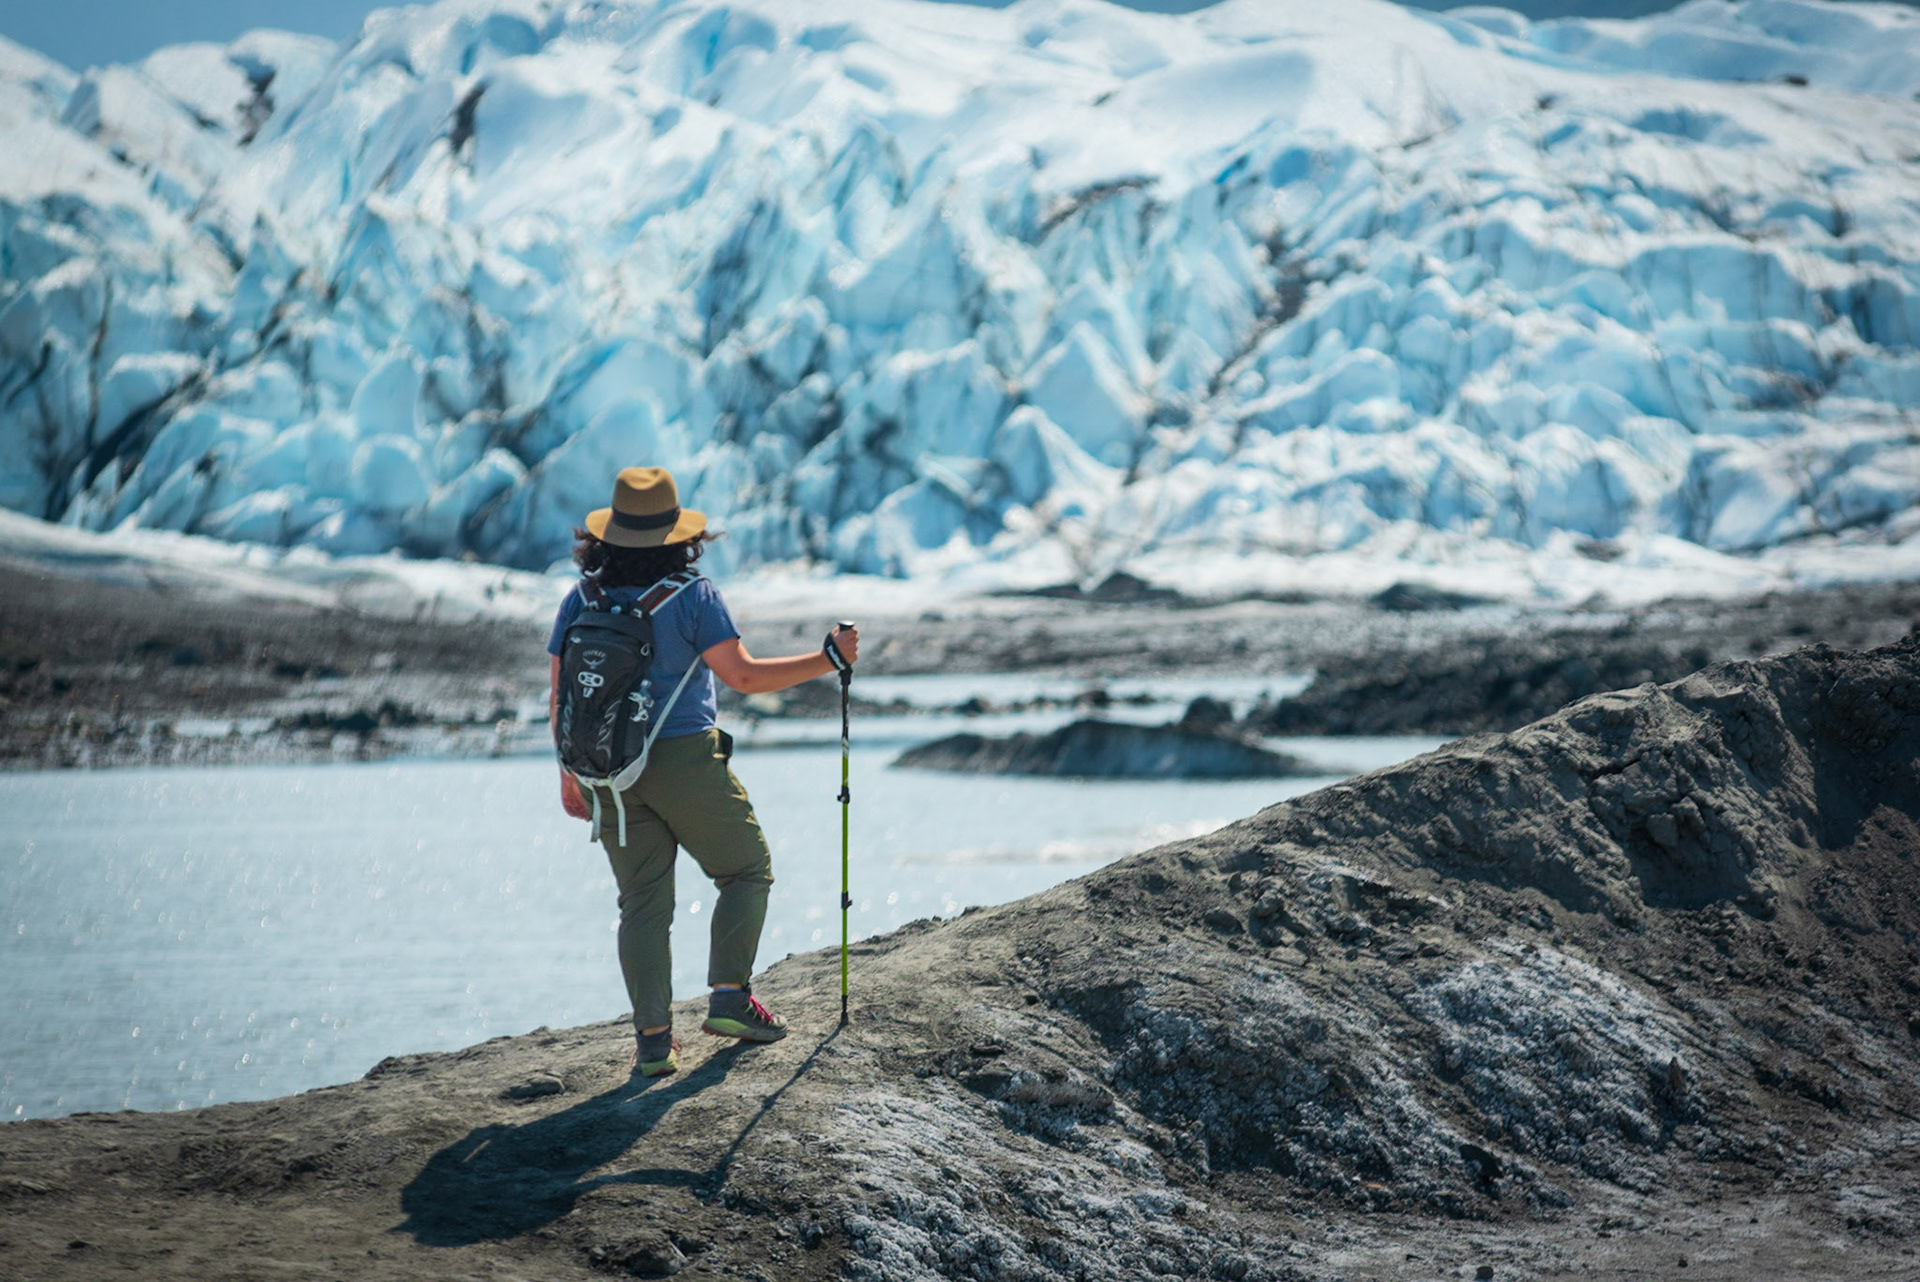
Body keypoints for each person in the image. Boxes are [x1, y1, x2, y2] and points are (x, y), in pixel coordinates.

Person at [548, 466, 858, 1078]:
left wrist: (568, 775)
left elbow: (560, 694)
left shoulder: (580, 597)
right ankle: (729, 1000)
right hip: (685, 758)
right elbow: (742, 677)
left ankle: (654, 1047)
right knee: (746, 869)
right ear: (677, 535)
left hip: (606, 770)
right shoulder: (692, 595)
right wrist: (826, 659)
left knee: (642, 905)